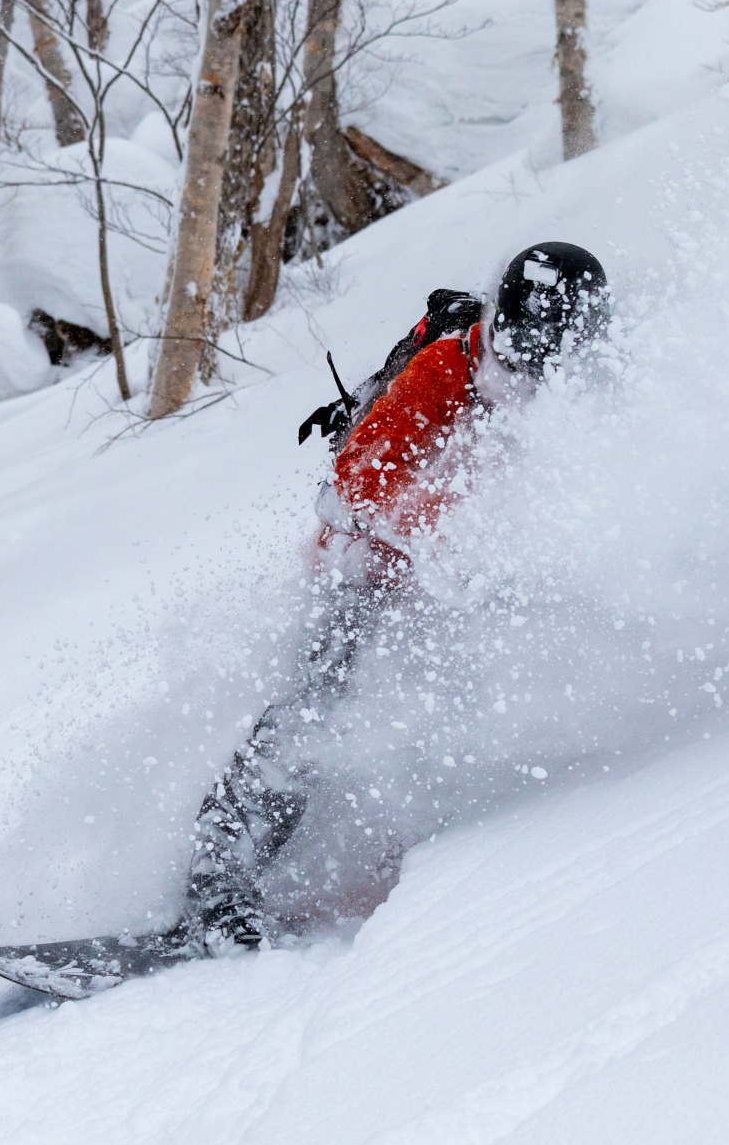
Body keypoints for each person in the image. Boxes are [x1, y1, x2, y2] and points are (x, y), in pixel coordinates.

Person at [181, 241, 613, 950]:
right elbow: (359, 483)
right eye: (526, 345)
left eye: (554, 349)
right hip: (368, 571)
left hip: (458, 587)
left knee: (455, 708)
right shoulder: (443, 372)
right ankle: (219, 886)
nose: (534, 363)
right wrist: (446, 546)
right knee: (311, 711)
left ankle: (397, 854)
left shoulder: (573, 384)